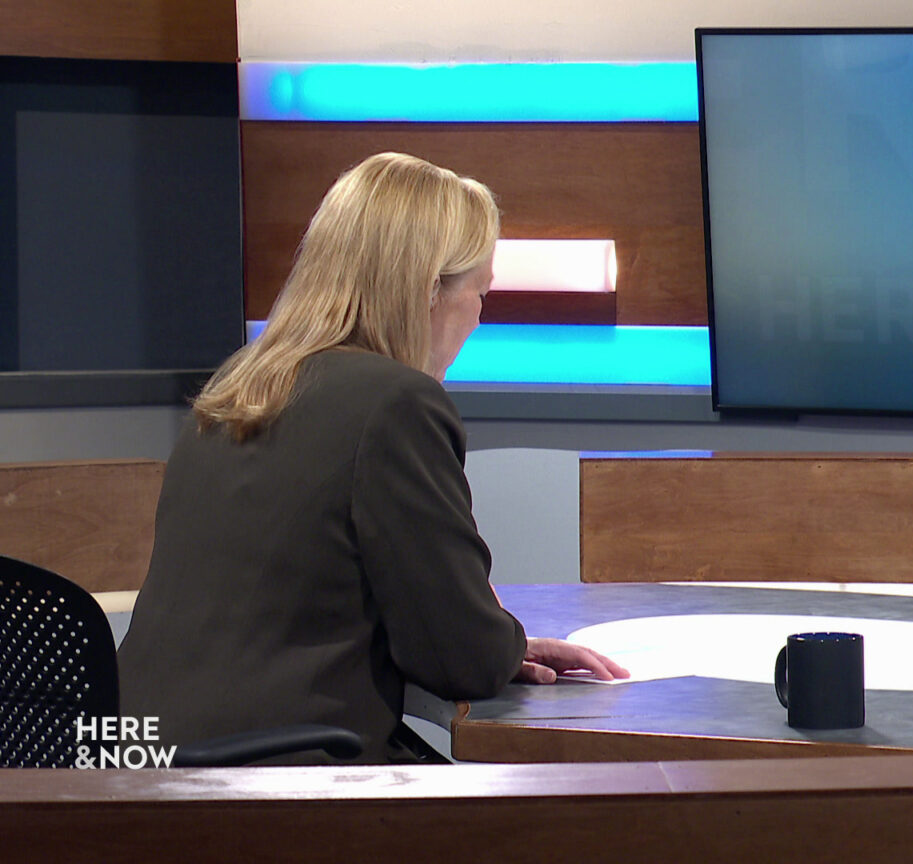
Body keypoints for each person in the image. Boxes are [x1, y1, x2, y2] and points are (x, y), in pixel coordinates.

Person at [118, 152, 627, 764]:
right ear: (428, 291)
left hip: (140, 768)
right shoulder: (397, 405)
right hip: (274, 783)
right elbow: (458, 656)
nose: (479, 316)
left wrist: (489, 640)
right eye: (480, 292)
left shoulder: (242, 386)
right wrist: (500, 643)